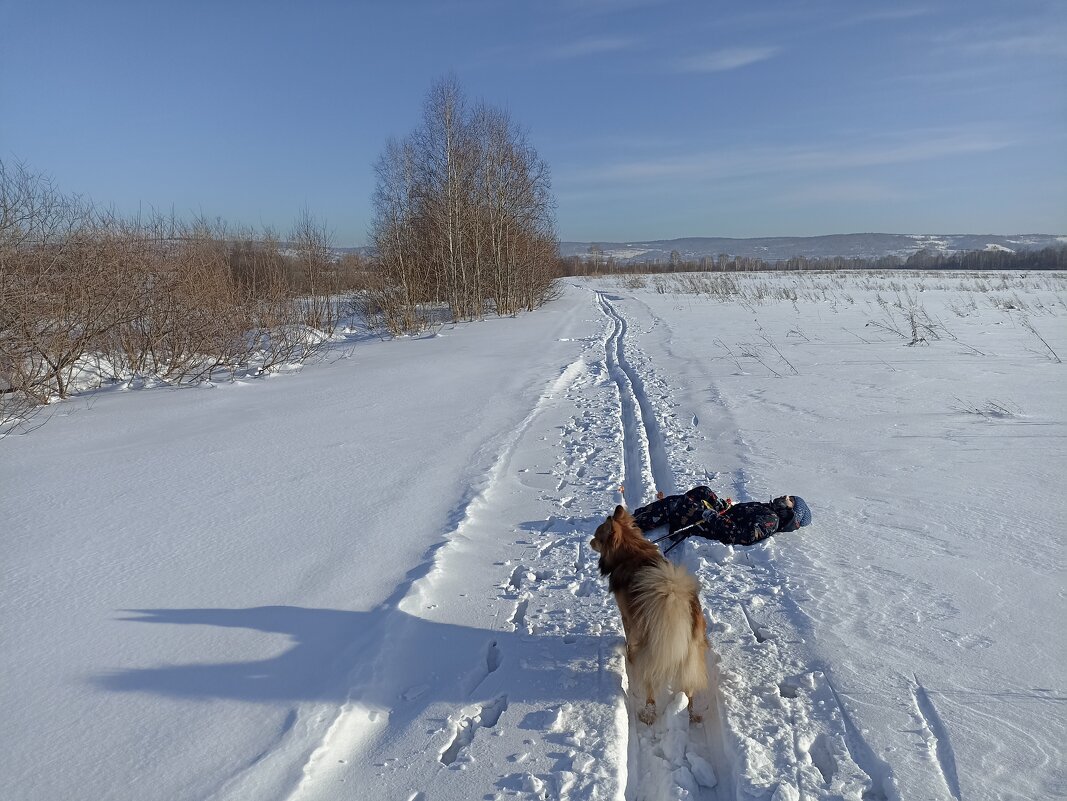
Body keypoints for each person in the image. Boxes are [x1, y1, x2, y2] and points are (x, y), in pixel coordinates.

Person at [633, 487, 812, 547]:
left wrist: (713, 517)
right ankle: (643, 516)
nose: (785, 497)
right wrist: (722, 506)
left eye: (790, 500)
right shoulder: (768, 508)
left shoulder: (771, 520)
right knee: (703, 491)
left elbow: (744, 535)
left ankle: (635, 525)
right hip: (720, 516)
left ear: (792, 512)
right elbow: (740, 513)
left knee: (678, 505)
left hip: (713, 528)